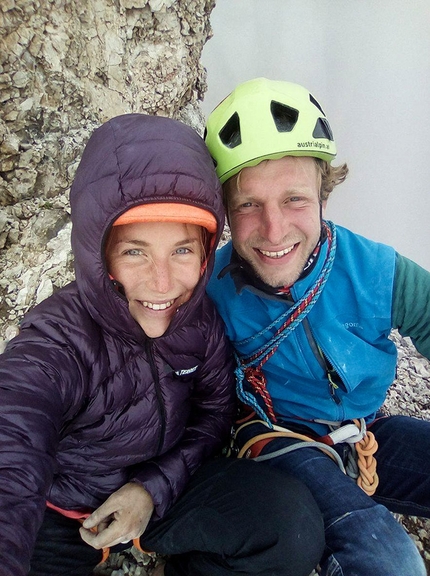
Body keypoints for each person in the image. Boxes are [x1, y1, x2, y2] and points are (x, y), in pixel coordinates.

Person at [0, 113, 325, 576]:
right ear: (100, 254)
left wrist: (151, 489)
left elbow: (214, 415)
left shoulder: (200, 322)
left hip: (163, 491)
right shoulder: (61, 339)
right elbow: (14, 441)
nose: (162, 283)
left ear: (206, 252)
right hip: (62, 514)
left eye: (182, 250)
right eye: (135, 251)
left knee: (287, 524)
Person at [204, 77, 430, 576]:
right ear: (224, 211)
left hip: (364, 435)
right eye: (247, 205)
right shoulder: (212, 292)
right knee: (390, 562)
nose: (274, 229)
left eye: (294, 200)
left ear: (324, 192)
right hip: (278, 441)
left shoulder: (373, 270)